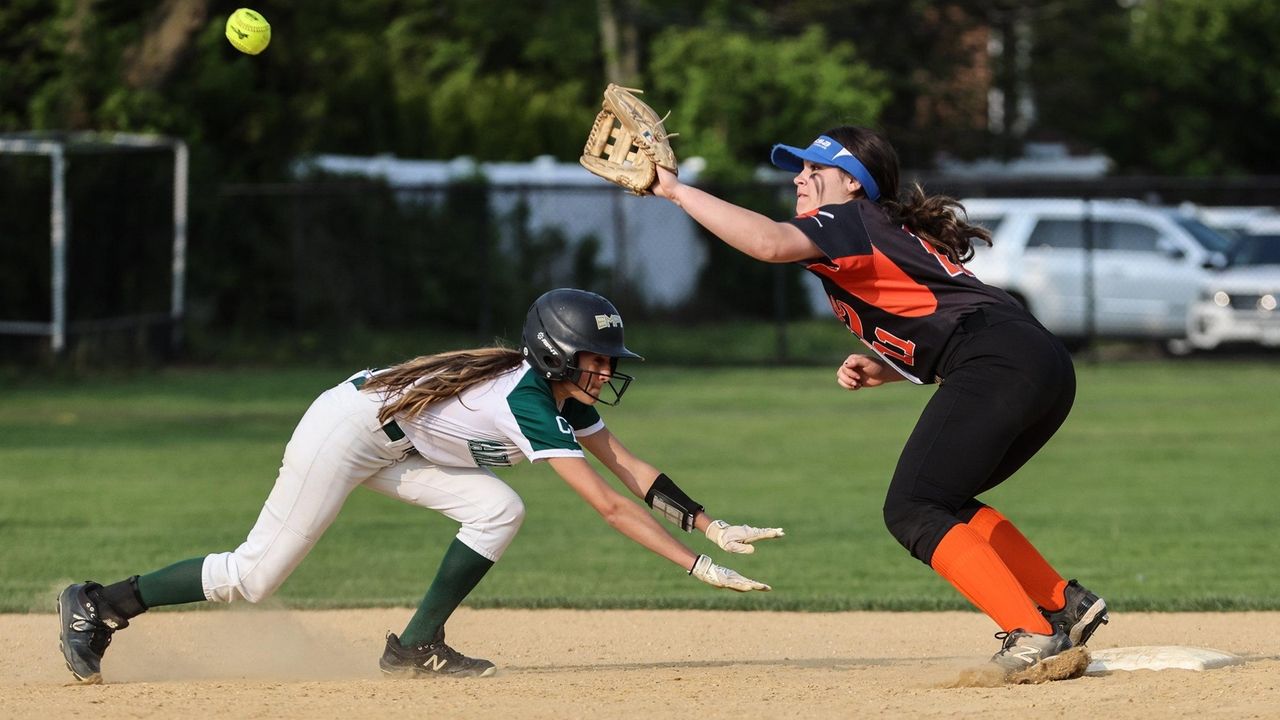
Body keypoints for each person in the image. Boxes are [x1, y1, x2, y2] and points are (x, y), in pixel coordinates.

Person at [58, 288, 782, 684]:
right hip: (345, 433)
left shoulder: (561, 397)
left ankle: (415, 646)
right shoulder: (527, 402)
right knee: (255, 576)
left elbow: (627, 466)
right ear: (558, 355)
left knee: (498, 507)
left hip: (393, 440)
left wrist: (710, 525)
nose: (606, 369)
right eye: (597, 357)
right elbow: (607, 505)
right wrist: (694, 567)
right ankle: (102, 603)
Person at [651, 127, 1107, 676]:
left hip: (1001, 361)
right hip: (1039, 362)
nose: (798, 178)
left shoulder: (853, 219)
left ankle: (1032, 632)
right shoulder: (880, 230)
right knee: (944, 501)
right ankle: (1063, 605)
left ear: (850, 181)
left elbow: (768, 244)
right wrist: (889, 368)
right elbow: (949, 318)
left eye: (811, 170)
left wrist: (675, 190)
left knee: (912, 508)